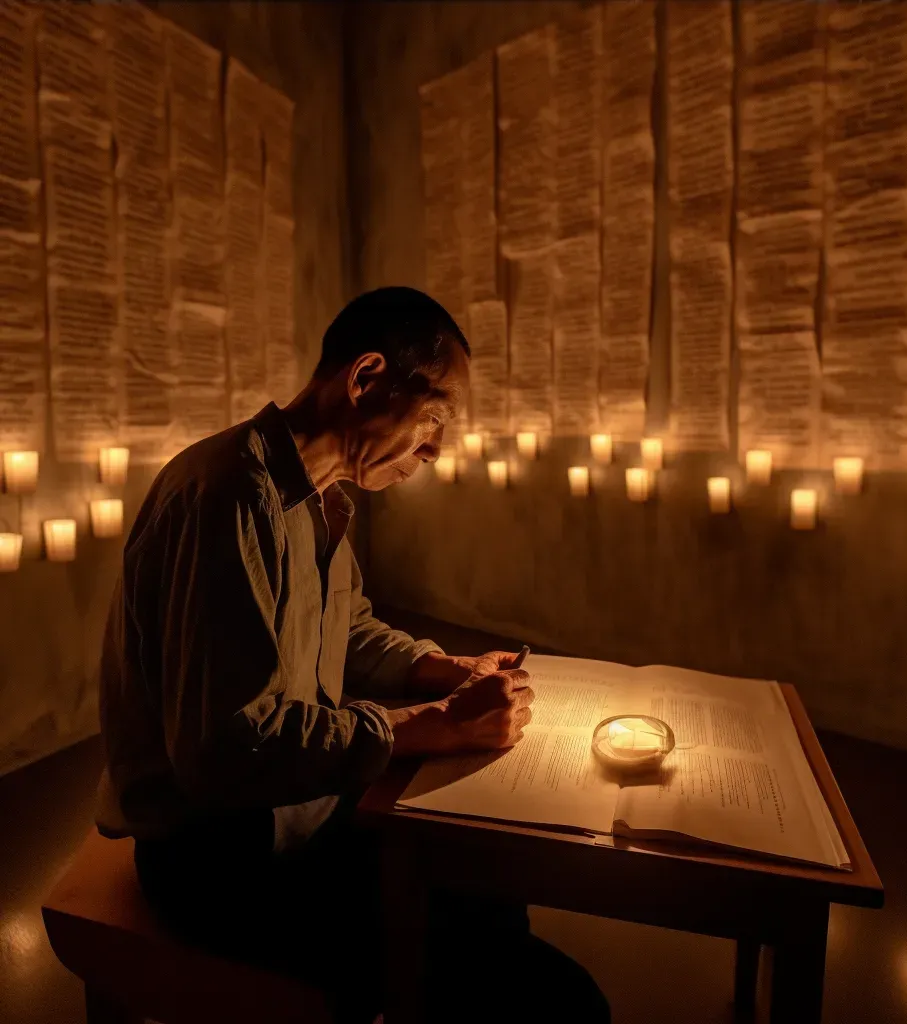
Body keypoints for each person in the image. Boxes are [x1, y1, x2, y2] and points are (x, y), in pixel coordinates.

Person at [96, 286, 609, 1023]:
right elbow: (225, 750)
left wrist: (445, 670)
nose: (436, 448)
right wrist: (429, 725)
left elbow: (350, 626)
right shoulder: (230, 497)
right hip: (223, 859)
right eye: (435, 415)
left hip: (296, 815)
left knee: (488, 884)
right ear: (366, 378)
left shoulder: (324, 494)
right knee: (561, 1002)